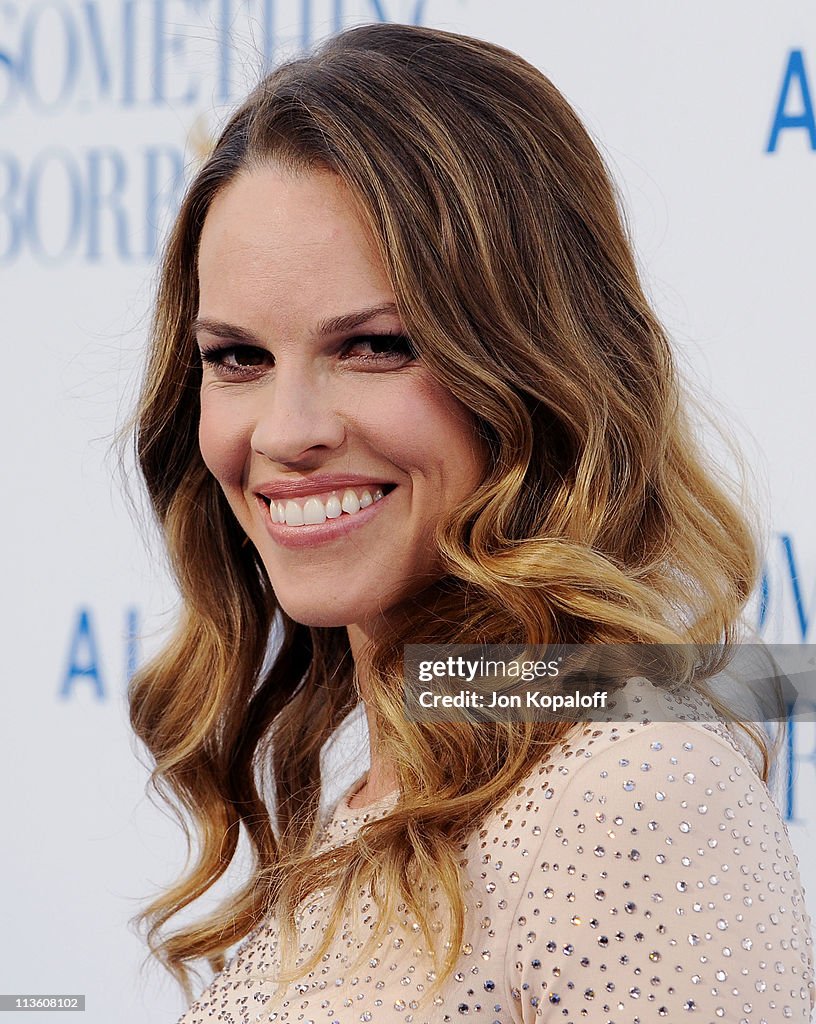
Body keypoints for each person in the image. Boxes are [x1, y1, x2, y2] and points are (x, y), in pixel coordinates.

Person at [128, 21, 815, 1023]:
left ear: (534, 368)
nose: (286, 432)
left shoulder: (629, 790)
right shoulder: (362, 796)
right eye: (238, 357)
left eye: (374, 345)